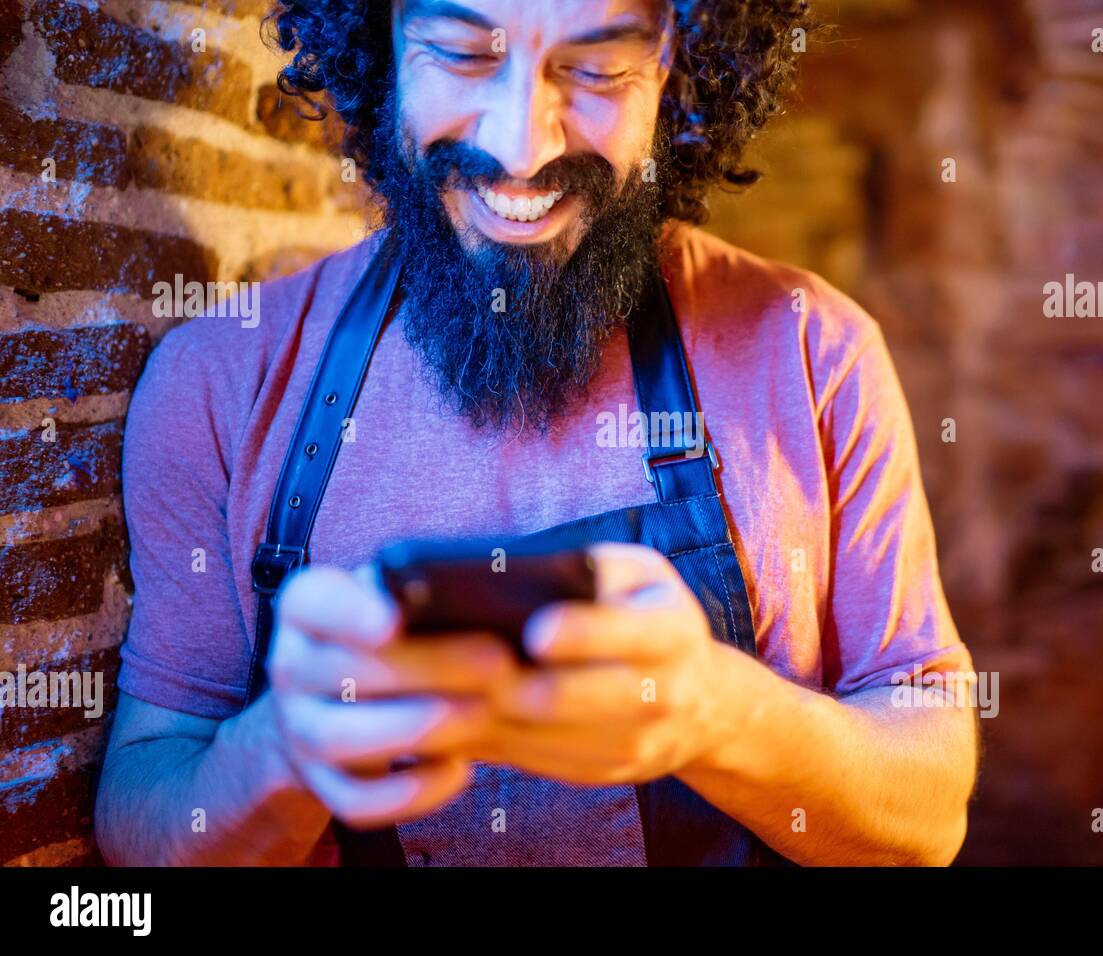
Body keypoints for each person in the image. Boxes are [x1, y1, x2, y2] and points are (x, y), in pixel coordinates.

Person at [95, 0, 978, 866]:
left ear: (676, 69)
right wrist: (282, 752)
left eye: (597, 69)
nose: (525, 147)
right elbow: (143, 819)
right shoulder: (218, 381)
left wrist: (719, 715)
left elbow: (930, 813)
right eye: (462, 54)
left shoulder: (814, 347)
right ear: (379, 45)